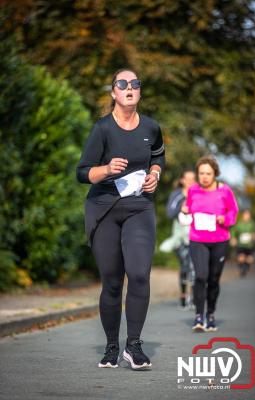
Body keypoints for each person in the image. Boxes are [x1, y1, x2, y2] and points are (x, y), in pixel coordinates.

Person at [76, 69, 165, 370]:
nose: (130, 88)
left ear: (139, 92)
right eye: (123, 84)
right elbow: (82, 172)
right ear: (114, 92)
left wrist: (155, 174)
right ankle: (112, 345)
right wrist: (106, 169)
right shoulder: (102, 129)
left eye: (135, 84)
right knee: (112, 282)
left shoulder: (151, 127)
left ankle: (134, 345)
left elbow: (158, 156)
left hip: (140, 207)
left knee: (139, 274)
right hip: (105, 208)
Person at [182, 155, 238, 332]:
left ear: (215, 174)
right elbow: (188, 208)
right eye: (201, 173)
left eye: (208, 173)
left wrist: (224, 219)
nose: (204, 177)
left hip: (219, 241)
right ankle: (199, 316)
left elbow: (233, 212)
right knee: (200, 276)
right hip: (197, 239)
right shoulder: (193, 190)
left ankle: (210, 314)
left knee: (213, 279)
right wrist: (185, 210)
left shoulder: (225, 191)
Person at [162, 171, 196, 308]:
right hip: (179, 236)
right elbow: (169, 213)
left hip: (195, 235)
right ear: (182, 180)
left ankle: (193, 298)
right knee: (185, 266)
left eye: (193, 179)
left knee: (194, 266)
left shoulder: (199, 194)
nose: (190, 181)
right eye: (187, 179)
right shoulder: (176, 195)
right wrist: (180, 208)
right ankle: (183, 294)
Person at [231, 209, 255, 277]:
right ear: (243, 215)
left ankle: (246, 268)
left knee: (249, 259)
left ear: (250, 216)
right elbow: (233, 231)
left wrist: (254, 236)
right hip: (241, 244)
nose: (246, 216)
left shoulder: (253, 224)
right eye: (245, 214)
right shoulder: (239, 224)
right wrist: (233, 238)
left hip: (250, 245)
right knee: (241, 258)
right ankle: (241, 269)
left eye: (248, 215)